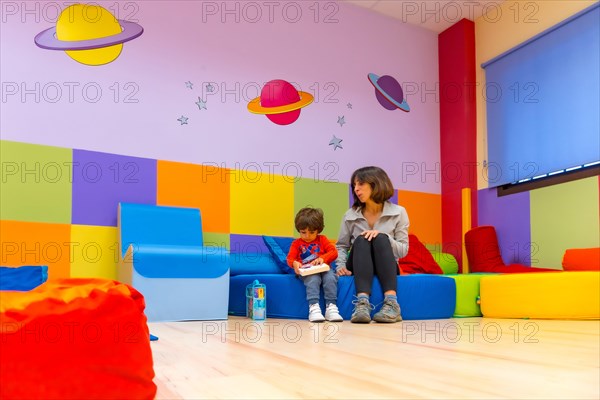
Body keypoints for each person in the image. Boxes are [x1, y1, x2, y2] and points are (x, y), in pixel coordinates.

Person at [336, 166, 409, 323]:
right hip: (358, 263)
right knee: (362, 239)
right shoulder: (350, 215)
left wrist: (385, 237)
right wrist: (340, 266)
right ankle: (362, 304)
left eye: (360, 184)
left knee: (381, 238)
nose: (356, 189)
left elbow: (403, 251)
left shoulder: (399, 212)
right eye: (354, 185)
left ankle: (392, 304)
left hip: (387, 264)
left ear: (376, 184)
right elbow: (341, 246)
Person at [287, 207, 343, 322]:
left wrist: (323, 258)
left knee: (331, 277)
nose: (307, 236)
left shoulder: (322, 239)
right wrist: (295, 264)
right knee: (313, 279)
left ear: (318, 230)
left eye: (311, 232)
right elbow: (290, 259)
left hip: (324, 270)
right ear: (299, 230)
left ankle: (331, 307)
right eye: (303, 232)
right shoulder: (296, 243)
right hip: (307, 272)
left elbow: (334, 252)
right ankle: (314, 307)